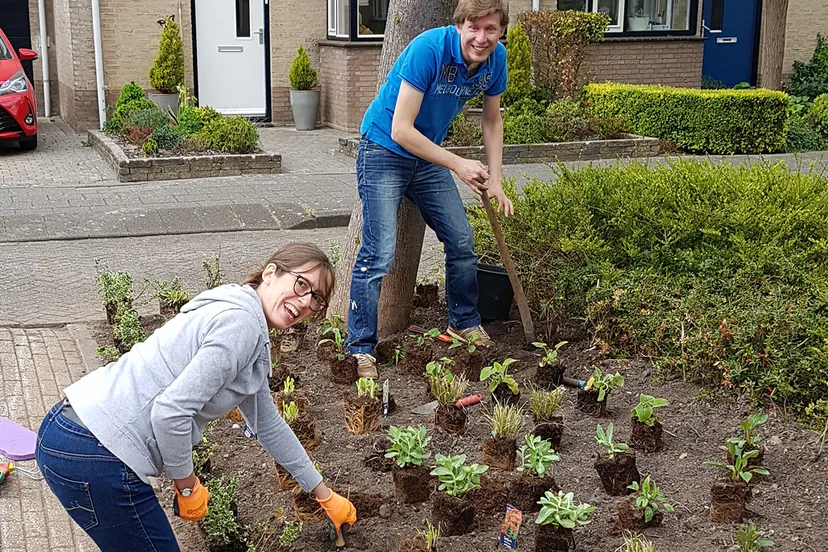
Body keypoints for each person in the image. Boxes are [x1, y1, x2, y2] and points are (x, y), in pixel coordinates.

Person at [34, 243, 357, 551]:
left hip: (70, 431)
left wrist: (323, 493)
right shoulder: (241, 325)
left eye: (316, 298)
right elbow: (170, 412)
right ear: (271, 273)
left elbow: (267, 424)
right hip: (96, 452)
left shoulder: (240, 313)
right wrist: (186, 484)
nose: (304, 302)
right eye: (301, 284)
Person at [344, 0, 514, 379]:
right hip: (384, 149)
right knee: (379, 252)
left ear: (501, 30)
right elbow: (401, 129)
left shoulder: (496, 59)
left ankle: (463, 323)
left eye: (491, 30)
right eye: (474, 28)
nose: (481, 38)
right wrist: (458, 163)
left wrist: (497, 178)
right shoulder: (429, 49)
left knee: (462, 240)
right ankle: (359, 348)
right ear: (460, 26)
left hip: (426, 158)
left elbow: (492, 119)